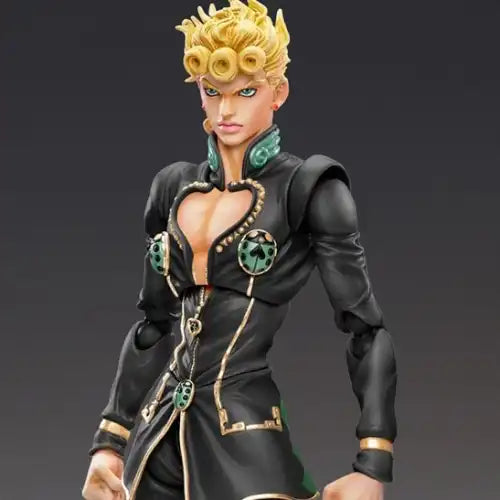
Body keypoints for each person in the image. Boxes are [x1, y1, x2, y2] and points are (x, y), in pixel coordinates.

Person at [81, 1, 398, 499]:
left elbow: (365, 331)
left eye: (245, 91)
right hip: (157, 436)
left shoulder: (306, 188)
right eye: (213, 91)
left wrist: (373, 462)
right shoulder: (173, 188)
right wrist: (109, 440)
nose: (226, 110)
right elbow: (153, 327)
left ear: (279, 92)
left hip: (244, 431)